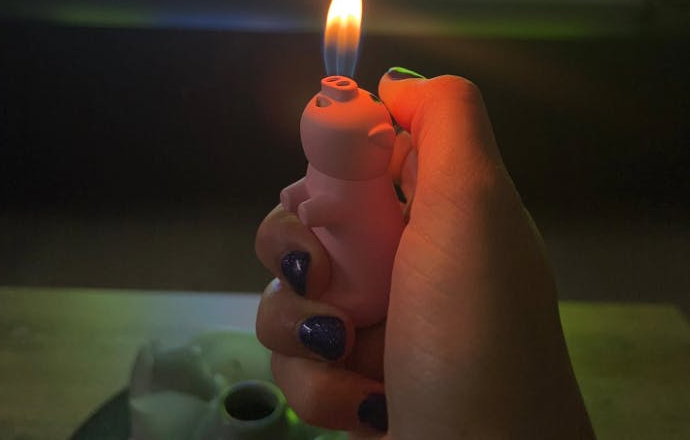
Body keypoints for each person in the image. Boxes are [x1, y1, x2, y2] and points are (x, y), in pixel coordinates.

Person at [255, 69, 596, 438]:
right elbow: (313, 185)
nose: (339, 93)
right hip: (350, 291)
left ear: (378, 139)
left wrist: (312, 209)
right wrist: (298, 194)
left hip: (366, 290)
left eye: (370, 98)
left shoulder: (362, 189)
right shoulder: (330, 169)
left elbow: (338, 209)